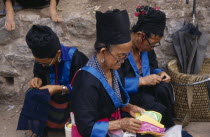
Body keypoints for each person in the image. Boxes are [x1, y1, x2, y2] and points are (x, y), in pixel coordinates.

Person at [71, 9, 158, 137]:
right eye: (120, 56)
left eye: (125, 56)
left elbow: (111, 102)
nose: (123, 61)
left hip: (112, 126)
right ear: (103, 51)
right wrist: (120, 124)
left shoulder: (114, 69)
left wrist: (129, 107)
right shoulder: (86, 82)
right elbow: (86, 127)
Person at [17, 25, 88, 136]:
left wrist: (60, 88)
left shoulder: (76, 58)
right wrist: (37, 79)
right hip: (51, 96)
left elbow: (86, 88)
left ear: (58, 53)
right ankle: (39, 130)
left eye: (45, 63)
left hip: (72, 99)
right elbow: (38, 72)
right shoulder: (42, 60)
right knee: (31, 94)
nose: (42, 65)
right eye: (39, 62)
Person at [118, 6, 174, 116]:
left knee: (163, 88)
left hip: (145, 89)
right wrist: (142, 81)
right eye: (152, 44)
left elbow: (152, 67)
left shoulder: (146, 49)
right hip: (128, 94)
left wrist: (159, 73)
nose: (153, 48)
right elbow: (114, 82)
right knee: (147, 100)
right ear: (140, 36)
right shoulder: (120, 49)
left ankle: (167, 119)